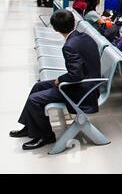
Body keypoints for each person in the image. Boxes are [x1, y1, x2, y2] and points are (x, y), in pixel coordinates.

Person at [9, 10, 102, 150]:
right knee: (38, 86)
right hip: (89, 84)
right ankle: (29, 126)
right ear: (74, 23)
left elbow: (76, 75)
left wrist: (60, 79)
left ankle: (46, 136)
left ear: (55, 29)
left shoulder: (69, 46)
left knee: (34, 100)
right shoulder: (85, 37)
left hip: (83, 91)